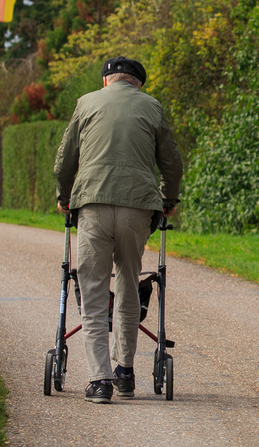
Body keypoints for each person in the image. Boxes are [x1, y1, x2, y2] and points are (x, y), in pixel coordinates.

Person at [54, 56, 183, 404]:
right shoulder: (152, 107)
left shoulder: (86, 103)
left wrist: (64, 197)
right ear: (138, 83)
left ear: (106, 81)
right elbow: (172, 161)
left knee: (93, 289)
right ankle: (125, 370)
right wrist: (169, 199)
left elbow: (65, 160)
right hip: (138, 207)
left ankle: (100, 380)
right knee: (128, 280)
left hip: (92, 205)